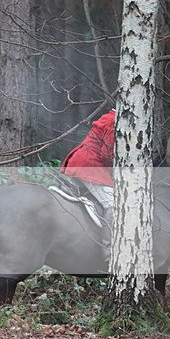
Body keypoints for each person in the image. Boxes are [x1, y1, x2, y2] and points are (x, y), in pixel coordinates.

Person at [60, 109, 115, 264]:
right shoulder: (114, 121)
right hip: (89, 165)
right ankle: (109, 252)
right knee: (112, 203)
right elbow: (107, 154)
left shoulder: (110, 116)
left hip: (84, 160)